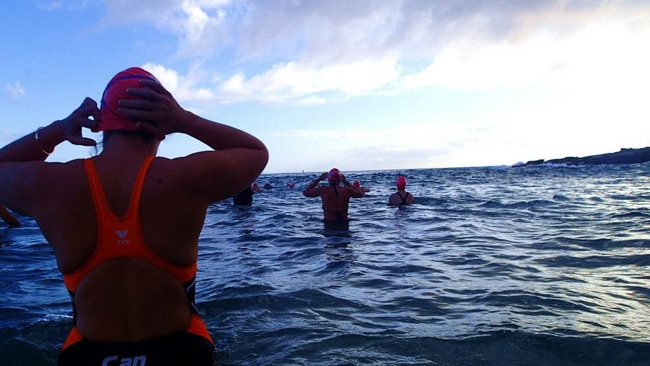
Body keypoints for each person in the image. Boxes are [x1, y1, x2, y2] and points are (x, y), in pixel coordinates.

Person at [0, 67, 268, 365]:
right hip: (179, 351)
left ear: (102, 126)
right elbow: (255, 152)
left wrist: (56, 131)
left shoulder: (52, 185)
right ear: (161, 127)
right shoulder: (185, 177)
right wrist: (185, 120)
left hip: (88, 355)